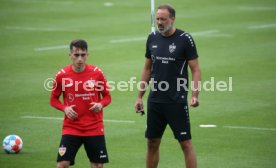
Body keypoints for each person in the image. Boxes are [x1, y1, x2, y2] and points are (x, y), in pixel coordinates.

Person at [135, 4, 201, 168]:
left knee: (185, 143)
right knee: (152, 142)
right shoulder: (152, 38)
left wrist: (194, 95)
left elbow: (195, 69)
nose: (159, 22)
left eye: (163, 19)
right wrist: (139, 96)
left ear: (172, 19)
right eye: (157, 19)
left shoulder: (185, 39)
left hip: (176, 101)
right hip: (155, 101)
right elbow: (147, 68)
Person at [50, 39, 111, 168]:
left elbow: (107, 97)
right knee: (62, 164)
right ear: (70, 55)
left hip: (94, 127)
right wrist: (64, 108)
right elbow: (53, 99)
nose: (80, 59)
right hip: (71, 127)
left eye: (83, 55)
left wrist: (100, 104)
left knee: (97, 165)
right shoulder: (62, 75)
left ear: (87, 55)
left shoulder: (97, 73)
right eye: (76, 55)